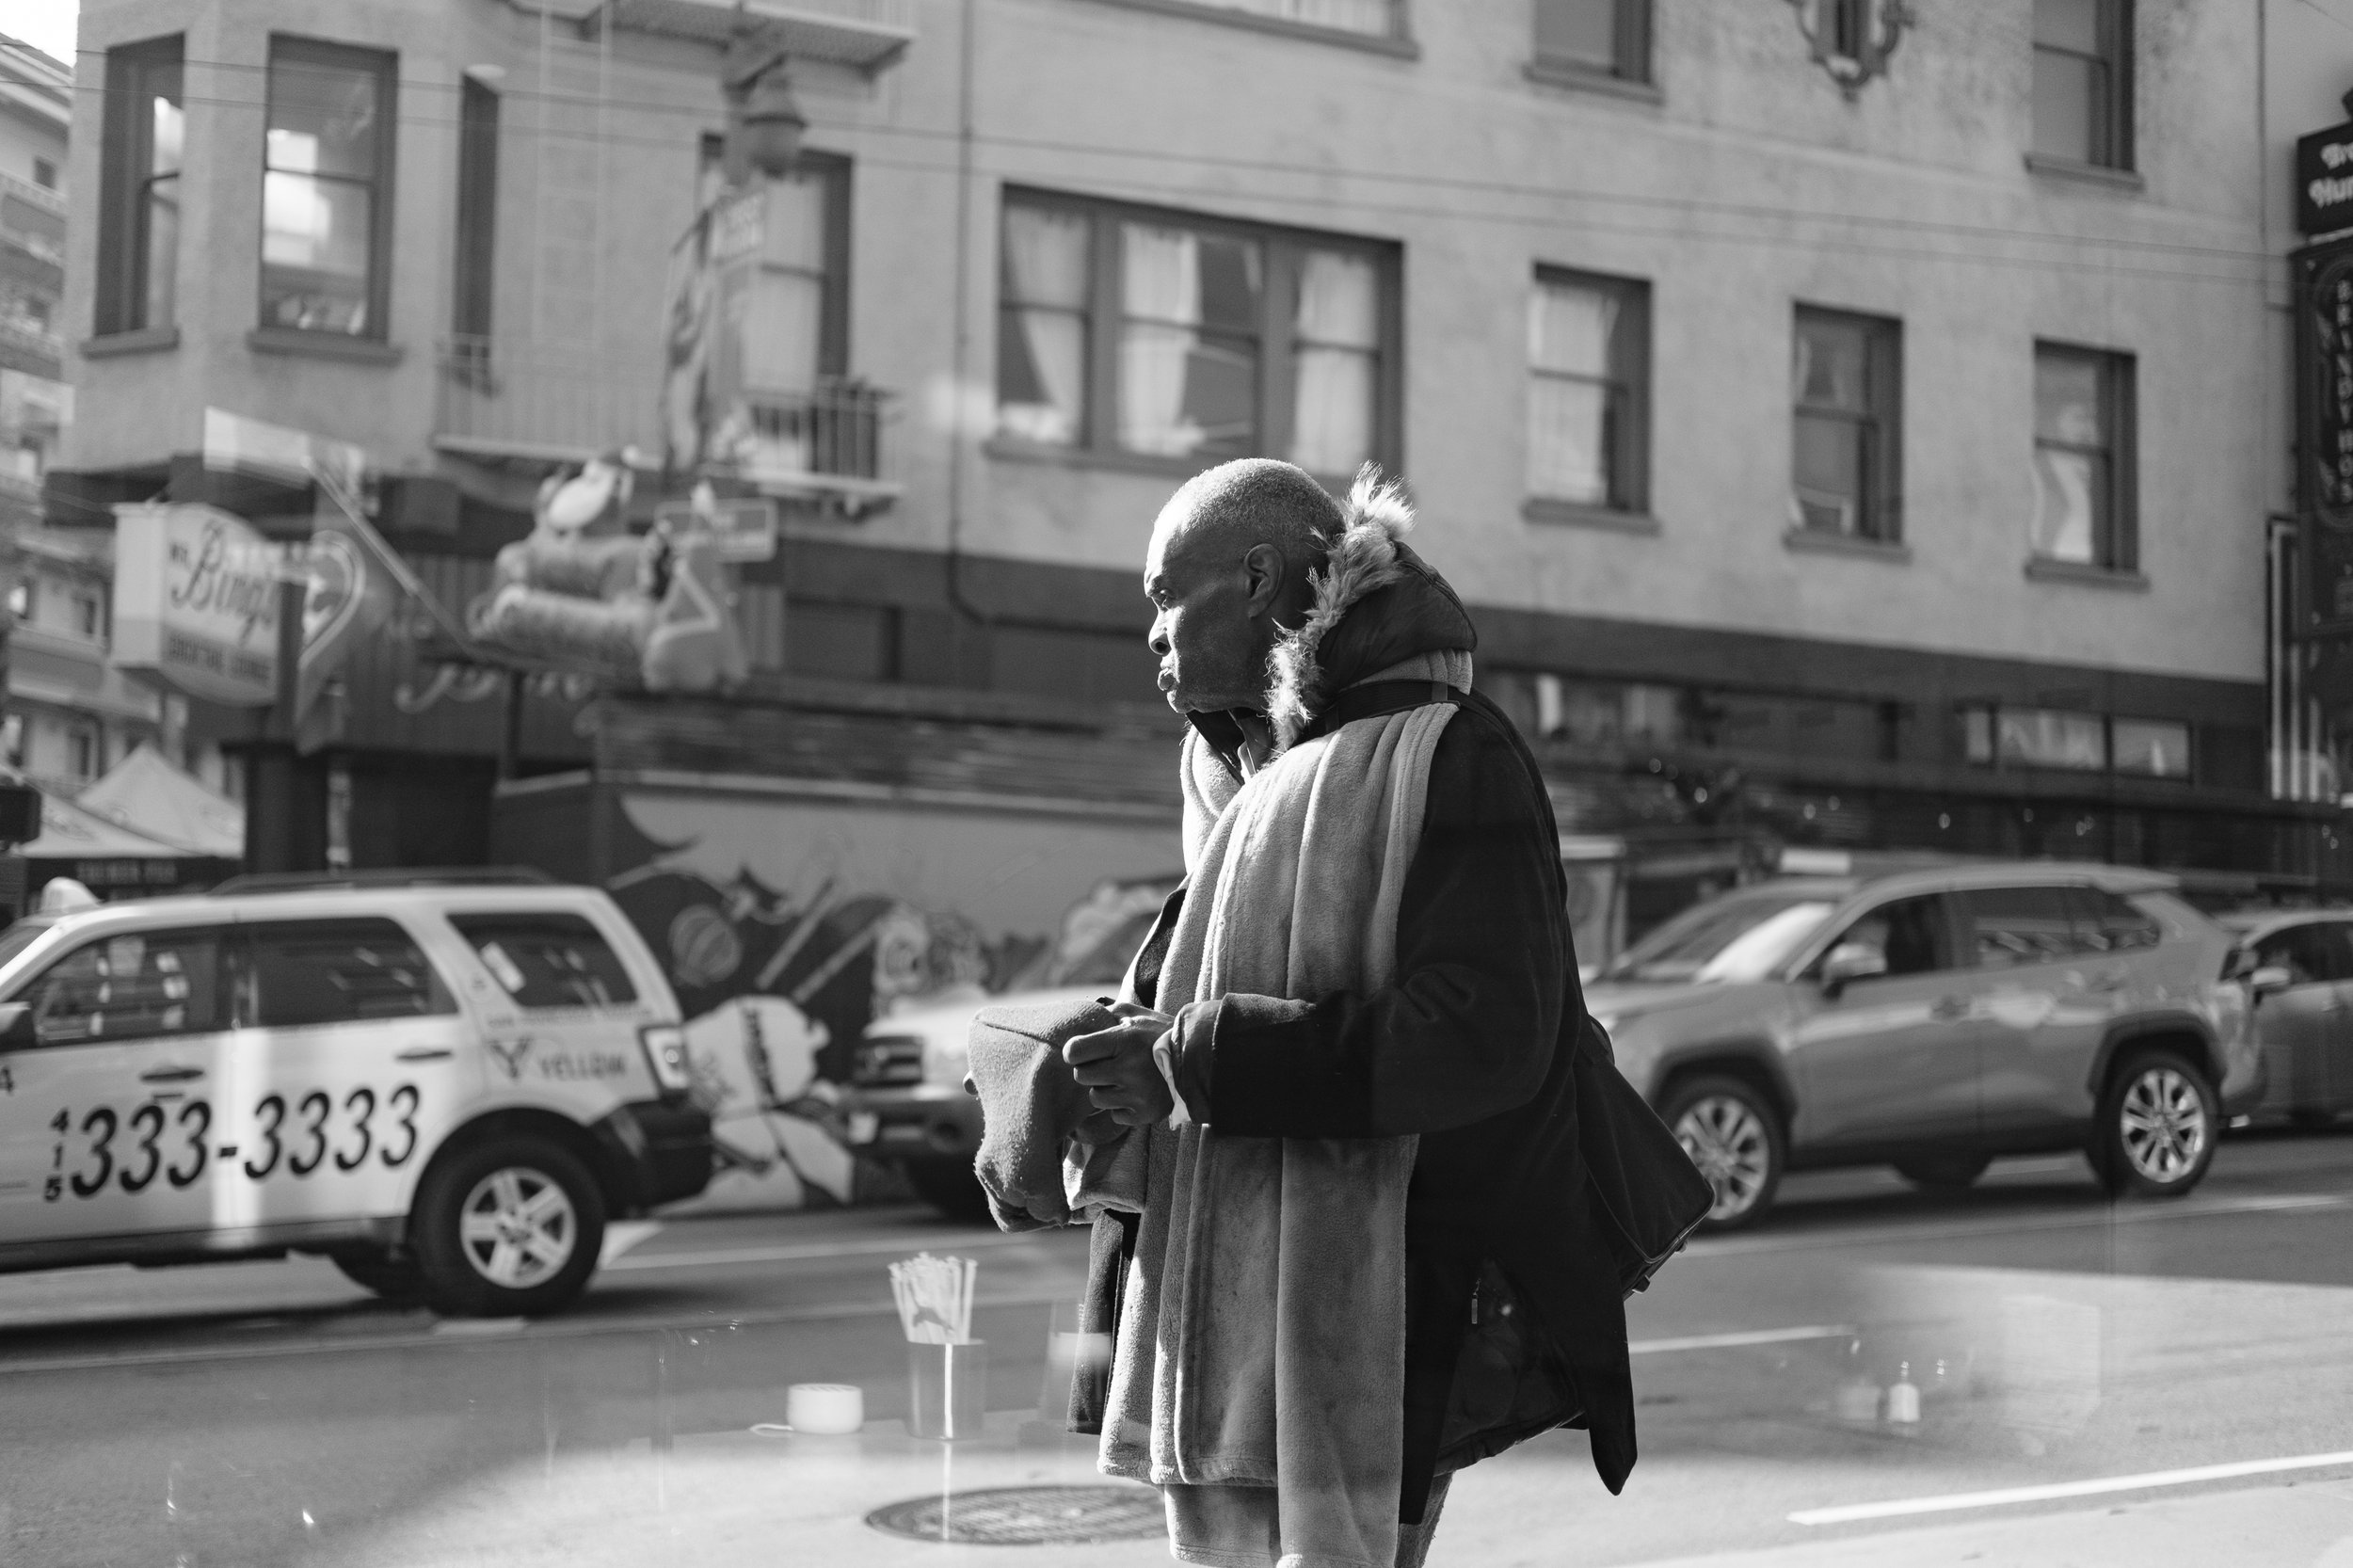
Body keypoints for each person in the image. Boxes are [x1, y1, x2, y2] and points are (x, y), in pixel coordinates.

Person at [1059, 457, 1637, 1568]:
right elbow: (1185, 1005)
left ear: (1263, 576)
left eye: (1166, 595)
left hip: (1382, 1324)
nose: (1152, 634)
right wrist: (1084, 1068)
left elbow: (1482, 1038)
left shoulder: (1452, 753)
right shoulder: (1244, 783)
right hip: (1230, 1341)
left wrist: (1187, 1061)